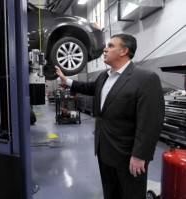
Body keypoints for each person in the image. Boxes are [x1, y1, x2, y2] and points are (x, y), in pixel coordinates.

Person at [55, 33, 165, 199]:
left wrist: (140, 155)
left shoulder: (145, 78)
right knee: (111, 192)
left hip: (128, 155)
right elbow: (89, 87)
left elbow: (150, 122)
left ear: (124, 51)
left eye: (111, 46)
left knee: (131, 194)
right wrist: (66, 80)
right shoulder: (104, 76)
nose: (105, 49)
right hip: (104, 148)